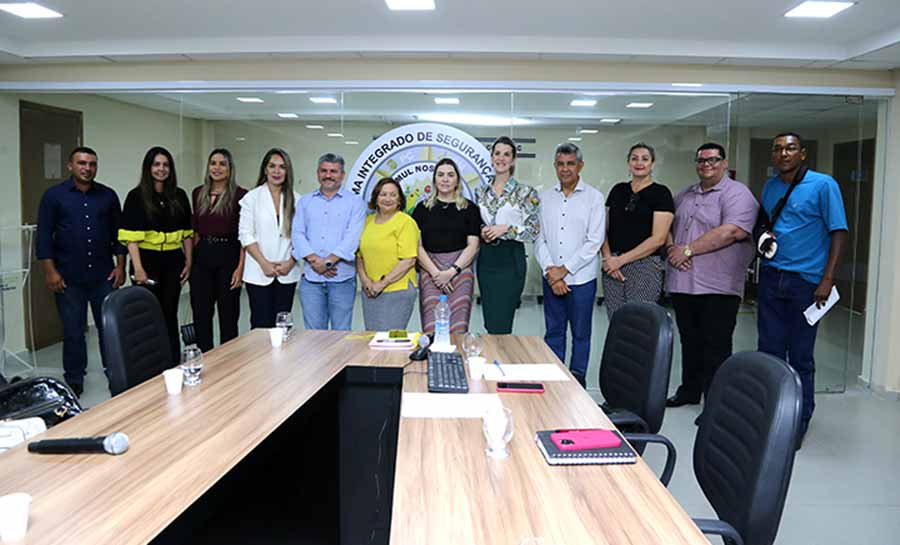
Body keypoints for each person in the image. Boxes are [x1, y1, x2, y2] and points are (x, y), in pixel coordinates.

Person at [757, 132, 848, 448]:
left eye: (791, 148)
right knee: (768, 351)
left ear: (803, 154)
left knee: (800, 355)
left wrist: (827, 279)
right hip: (771, 277)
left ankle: (799, 420)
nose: (784, 153)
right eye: (778, 149)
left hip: (806, 282)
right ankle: (770, 413)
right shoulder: (770, 186)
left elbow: (838, 232)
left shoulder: (824, 185)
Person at [664, 143, 759, 411]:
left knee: (715, 345)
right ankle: (689, 391)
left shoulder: (737, 194)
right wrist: (672, 249)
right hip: (683, 283)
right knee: (690, 341)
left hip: (718, 285)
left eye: (713, 160)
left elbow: (731, 232)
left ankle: (715, 403)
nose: (707, 164)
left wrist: (688, 250)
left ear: (724, 163)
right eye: (702, 160)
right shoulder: (685, 194)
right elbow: (666, 225)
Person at [36, 147, 126, 396]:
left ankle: (115, 371)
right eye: (82, 163)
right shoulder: (54, 196)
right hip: (68, 277)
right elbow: (43, 236)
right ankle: (75, 377)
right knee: (73, 331)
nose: (87, 168)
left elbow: (119, 235)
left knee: (109, 328)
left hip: (103, 275)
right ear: (70, 166)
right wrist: (50, 271)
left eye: (92, 164)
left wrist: (120, 266)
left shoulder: (108, 196)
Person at [534, 143, 605, 387]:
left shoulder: (594, 198)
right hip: (551, 278)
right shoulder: (543, 197)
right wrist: (551, 272)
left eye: (570, 163)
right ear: (555, 166)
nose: (565, 169)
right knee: (553, 332)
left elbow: (594, 241)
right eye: (560, 164)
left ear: (580, 166)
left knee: (581, 334)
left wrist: (564, 271)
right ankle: (555, 379)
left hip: (581, 280)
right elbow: (538, 239)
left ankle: (577, 380)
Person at [119, 147, 193, 363]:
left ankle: (171, 361)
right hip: (146, 262)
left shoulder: (179, 196)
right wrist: (138, 268)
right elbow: (131, 238)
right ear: (148, 167)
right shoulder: (136, 196)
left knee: (169, 314)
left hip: (173, 261)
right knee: (147, 317)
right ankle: (148, 364)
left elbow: (187, 234)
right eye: (156, 164)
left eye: (165, 165)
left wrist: (189, 260)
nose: (161, 169)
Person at [474, 136, 540, 334]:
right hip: (486, 260)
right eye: (497, 153)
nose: (501, 158)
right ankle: (492, 359)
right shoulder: (480, 192)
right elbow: (476, 223)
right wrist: (482, 232)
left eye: (506, 154)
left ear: (513, 160)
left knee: (502, 322)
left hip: (511, 260)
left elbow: (534, 231)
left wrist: (506, 229)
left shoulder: (526, 192)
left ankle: (500, 361)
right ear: (491, 157)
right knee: (489, 320)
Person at [292, 153, 366, 331]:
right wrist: (314, 261)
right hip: (311, 279)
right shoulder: (305, 202)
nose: (328, 175)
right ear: (317, 173)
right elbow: (297, 233)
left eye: (334, 171)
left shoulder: (355, 203)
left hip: (342, 279)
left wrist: (327, 262)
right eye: (324, 171)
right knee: (313, 334)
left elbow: (352, 237)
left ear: (342, 175)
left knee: (341, 333)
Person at [601, 143, 674, 318]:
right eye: (634, 158)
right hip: (612, 266)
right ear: (628, 163)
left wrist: (620, 261)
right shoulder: (618, 190)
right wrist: (608, 258)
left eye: (645, 159)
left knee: (639, 324)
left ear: (653, 163)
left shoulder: (661, 193)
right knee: (616, 321)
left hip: (645, 266)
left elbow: (658, 239)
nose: (639, 162)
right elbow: (602, 228)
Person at [412, 158, 481, 334]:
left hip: (461, 271)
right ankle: (433, 361)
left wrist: (451, 272)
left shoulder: (470, 208)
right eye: (440, 175)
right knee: (431, 328)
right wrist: (436, 274)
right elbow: (417, 247)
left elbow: (473, 246)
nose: (445, 179)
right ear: (434, 179)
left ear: (457, 180)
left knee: (458, 327)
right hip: (430, 271)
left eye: (450, 175)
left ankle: (457, 360)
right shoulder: (421, 208)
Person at [190, 149, 247, 352]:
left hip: (229, 255)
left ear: (230, 169)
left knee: (228, 315)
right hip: (202, 256)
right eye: (213, 163)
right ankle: (203, 357)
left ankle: (227, 361)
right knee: (201, 314)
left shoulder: (241, 195)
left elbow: (245, 237)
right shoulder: (198, 193)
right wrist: (191, 262)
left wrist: (240, 269)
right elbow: (194, 231)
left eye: (222, 163)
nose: (217, 168)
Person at [239, 148, 302, 329]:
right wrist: (264, 263)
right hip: (259, 271)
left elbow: (301, 237)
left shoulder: (297, 199)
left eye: (282, 167)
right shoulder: (251, 198)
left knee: (283, 325)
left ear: (287, 171)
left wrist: (290, 262)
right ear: (265, 169)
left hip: (287, 271)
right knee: (260, 325)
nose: (277, 171)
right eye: (272, 166)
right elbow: (245, 234)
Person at [356, 177, 420, 330]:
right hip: (370, 291)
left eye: (393, 195)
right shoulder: (367, 221)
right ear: (376, 198)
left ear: (399, 200)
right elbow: (360, 256)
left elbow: (409, 260)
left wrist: (381, 284)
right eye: (383, 194)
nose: (388, 199)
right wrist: (366, 282)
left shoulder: (406, 222)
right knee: (372, 337)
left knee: (389, 342)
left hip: (397, 290)